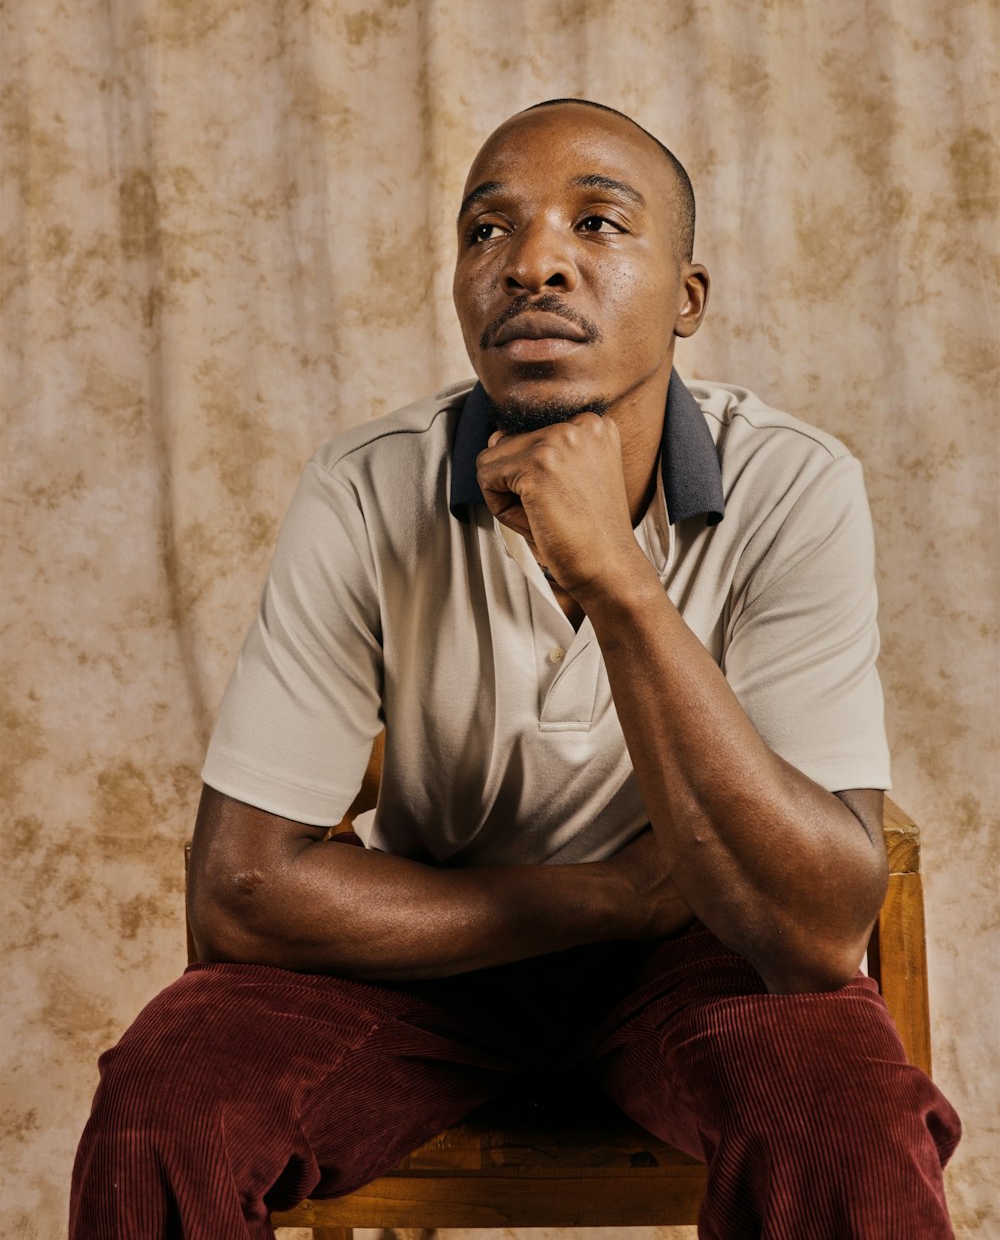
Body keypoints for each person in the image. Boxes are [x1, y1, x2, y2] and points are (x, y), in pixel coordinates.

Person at [70, 100, 960, 1238]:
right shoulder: (364, 485)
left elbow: (813, 931)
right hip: (423, 949)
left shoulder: (795, 485)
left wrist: (614, 576)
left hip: (702, 958)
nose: (532, 261)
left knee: (837, 1112)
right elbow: (239, 897)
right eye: (488, 232)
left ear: (688, 299)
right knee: (166, 1106)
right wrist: (614, 897)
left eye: (597, 224)